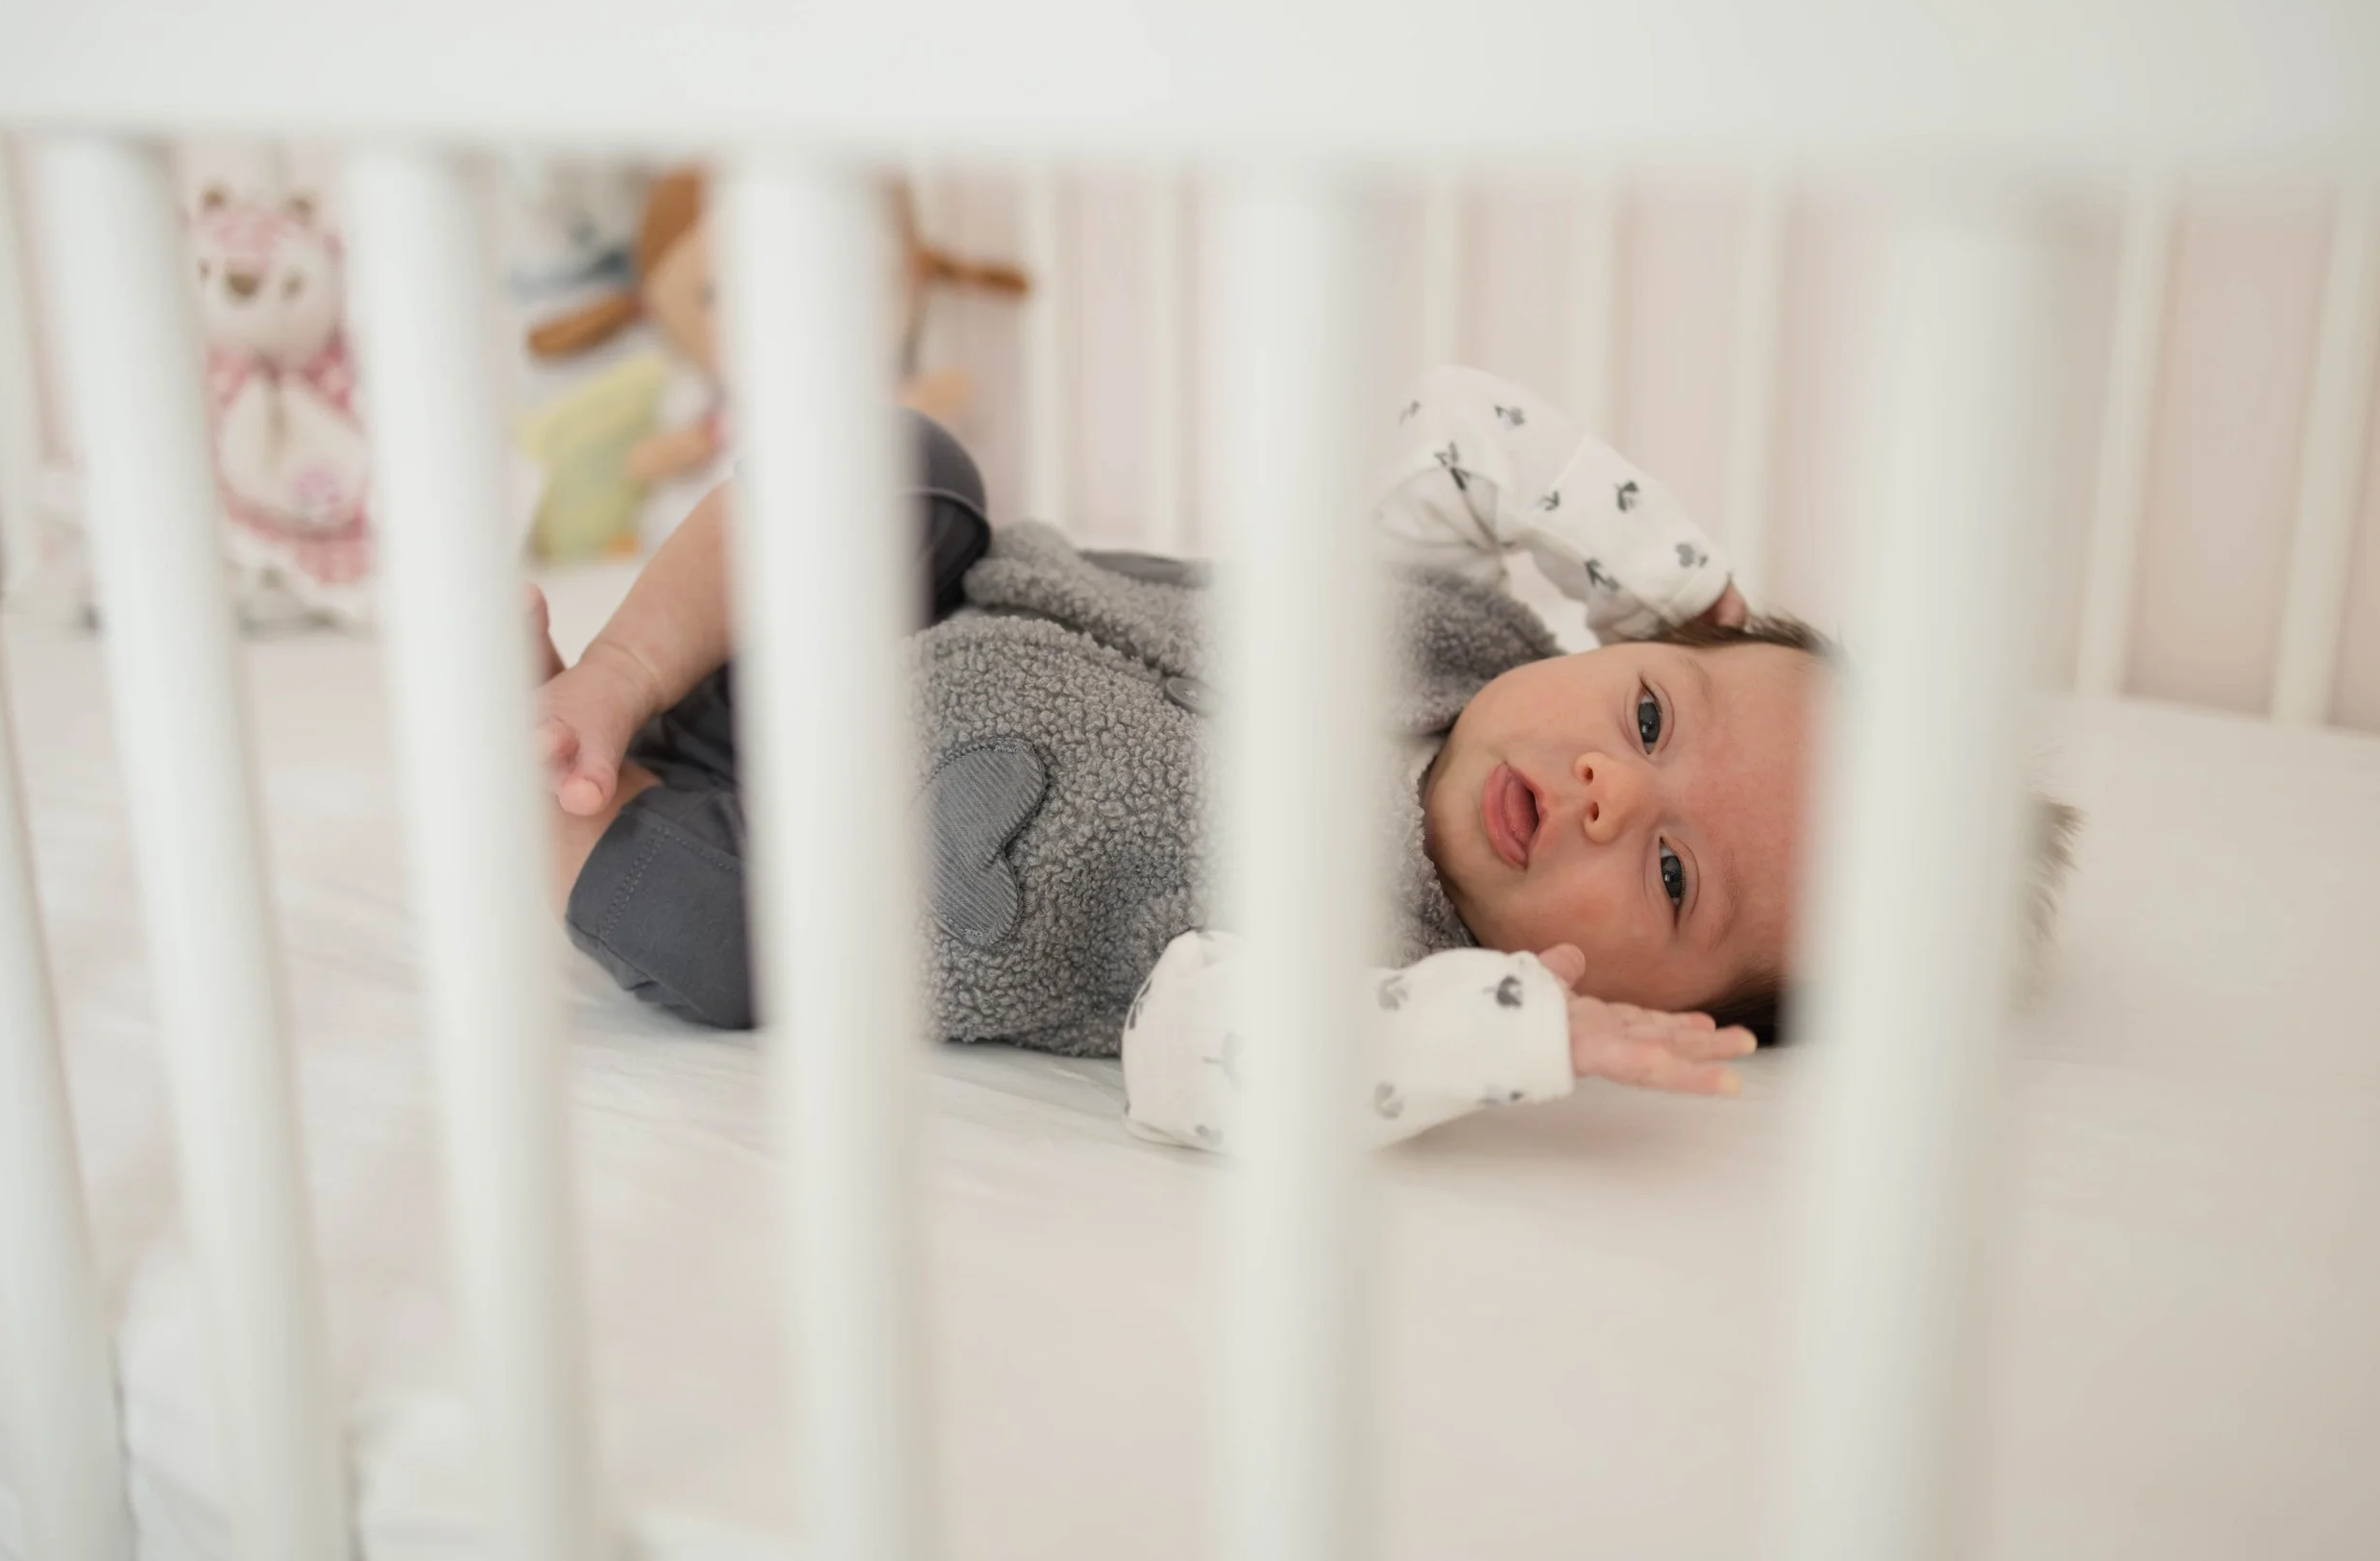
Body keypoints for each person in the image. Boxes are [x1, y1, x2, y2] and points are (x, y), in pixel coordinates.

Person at [533, 369, 1851, 1149]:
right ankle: (621, 674)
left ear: (1640, 1000)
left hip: (811, 852)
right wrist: (1668, 579)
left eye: (1676, 875)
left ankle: (545, 778)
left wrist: (1494, 1029)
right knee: (910, 465)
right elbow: (1449, 428)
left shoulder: (1390, 977)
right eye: (1654, 713)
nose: (1612, 792)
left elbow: (1197, 1057)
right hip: (898, 601)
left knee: (723, 941)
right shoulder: (1463, 629)